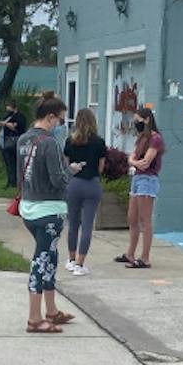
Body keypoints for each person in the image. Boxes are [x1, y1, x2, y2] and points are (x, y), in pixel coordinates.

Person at [18, 92, 82, 333]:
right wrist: (72, 169)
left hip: (29, 206)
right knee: (42, 260)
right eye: (61, 121)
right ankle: (35, 318)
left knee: (50, 256)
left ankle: (52, 310)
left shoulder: (24, 140)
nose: (61, 126)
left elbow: (21, 175)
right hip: (50, 209)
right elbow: (58, 180)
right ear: (51, 118)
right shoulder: (50, 143)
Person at [116, 109, 165, 270]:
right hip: (137, 178)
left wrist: (134, 162)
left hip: (148, 179)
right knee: (132, 217)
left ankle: (145, 257)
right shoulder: (142, 138)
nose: (136, 123)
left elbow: (146, 161)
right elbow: (132, 157)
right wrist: (135, 162)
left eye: (138, 120)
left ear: (147, 119)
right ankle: (130, 253)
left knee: (145, 219)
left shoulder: (155, 139)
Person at [63, 109, 107, 276]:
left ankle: (71, 259)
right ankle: (80, 264)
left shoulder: (70, 141)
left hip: (74, 184)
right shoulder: (99, 142)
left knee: (73, 224)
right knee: (87, 225)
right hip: (92, 184)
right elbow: (101, 167)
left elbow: (67, 165)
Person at [0, 101, 27, 187]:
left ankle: (16, 181)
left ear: (14, 108)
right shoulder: (8, 117)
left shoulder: (20, 117)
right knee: (8, 162)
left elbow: (15, 127)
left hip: (15, 140)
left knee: (15, 162)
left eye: (9, 108)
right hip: (5, 140)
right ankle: (10, 180)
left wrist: (4, 123)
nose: (8, 110)